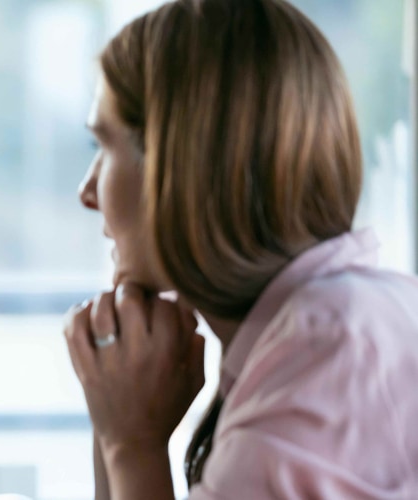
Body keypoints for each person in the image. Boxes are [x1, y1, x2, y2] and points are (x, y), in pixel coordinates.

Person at [64, 0, 418, 498]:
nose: (87, 191)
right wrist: (116, 420)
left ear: (183, 167)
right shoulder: (343, 326)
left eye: (105, 146)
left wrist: (132, 444)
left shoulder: (304, 396)